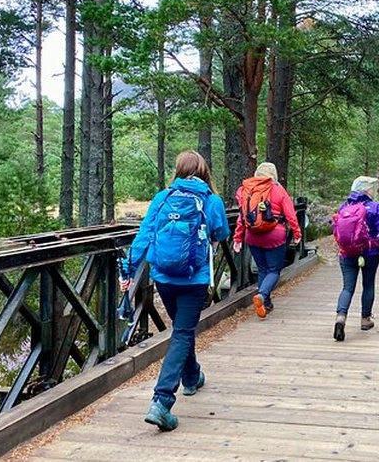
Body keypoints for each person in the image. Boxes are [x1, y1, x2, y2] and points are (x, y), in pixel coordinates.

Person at [120, 150, 230, 431]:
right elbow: (221, 234)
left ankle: (192, 376)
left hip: (164, 278)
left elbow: (144, 236)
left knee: (182, 330)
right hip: (194, 280)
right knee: (182, 333)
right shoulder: (211, 200)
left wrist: (128, 272)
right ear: (204, 171)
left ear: (178, 170)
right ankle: (161, 401)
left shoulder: (162, 198)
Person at [232, 162, 302, 318]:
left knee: (263, 269)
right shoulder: (277, 189)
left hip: (252, 236)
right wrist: (297, 233)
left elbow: (242, 217)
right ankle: (262, 295)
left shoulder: (245, 190)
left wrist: (237, 237)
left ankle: (267, 304)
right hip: (274, 236)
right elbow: (290, 214)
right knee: (273, 270)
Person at [333, 176, 379, 341]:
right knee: (368, 285)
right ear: (366, 190)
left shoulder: (344, 207)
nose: (373, 190)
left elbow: (336, 231)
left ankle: (341, 317)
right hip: (369, 253)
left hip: (347, 254)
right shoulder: (375, 207)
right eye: (371, 188)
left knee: (347, 288)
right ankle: (365, 319)